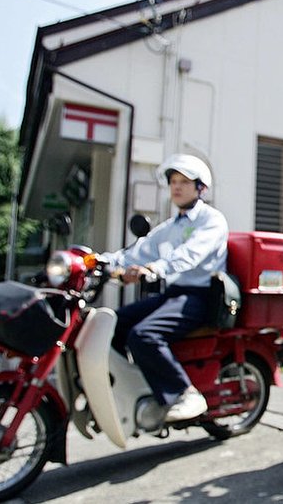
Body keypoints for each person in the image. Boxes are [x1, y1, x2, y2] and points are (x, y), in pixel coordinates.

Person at [106, 153, 228, 422]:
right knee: (111, 322)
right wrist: (100, 261)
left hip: (200, 297)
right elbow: (137, 252)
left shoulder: (212, 220)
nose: (176, 186)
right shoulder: (170, 226)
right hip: (173, 295)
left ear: (201, 188)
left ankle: (186, 393)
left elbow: (188, 255)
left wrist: (152, 270)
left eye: (184, 181)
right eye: (173, 181)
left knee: (144, 335)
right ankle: (137, 386)